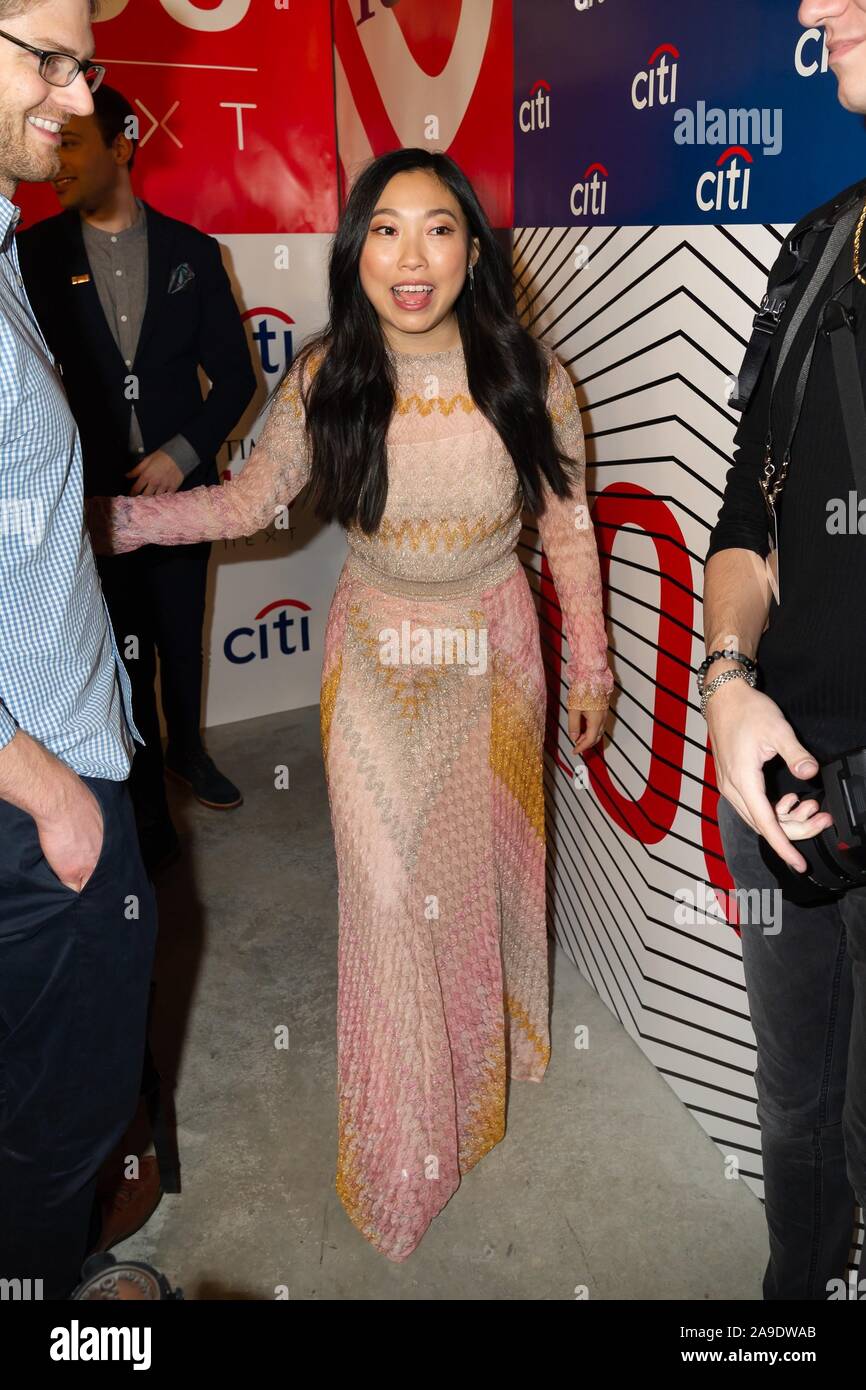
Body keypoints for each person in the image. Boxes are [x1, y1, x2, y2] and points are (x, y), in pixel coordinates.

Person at [90, 146, 614, 1261]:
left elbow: (565, 526)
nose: (409, 255)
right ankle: (401, 1141)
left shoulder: (529, 375)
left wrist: (594, 669)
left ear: (473, 250)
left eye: (436, 228)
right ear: (355, 249)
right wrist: (119, 523)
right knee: (384, 889)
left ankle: (487, 1057)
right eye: (383, 228)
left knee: (476, 875)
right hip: (377, 647)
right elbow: (248, 499)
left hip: (492, 650)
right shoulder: (327, 373)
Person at [702, 0, 866, 1302]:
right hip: (789, 781)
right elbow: (741, 524)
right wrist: (725, 684)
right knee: (797, 1110)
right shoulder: (814, 245)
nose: (814, 9)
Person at [0, 0, 156, 1298]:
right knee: (58, 1135)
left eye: (86, 63)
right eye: (44, 55)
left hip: (52, 768)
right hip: (32, 804)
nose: (76, 92)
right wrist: (47, 790)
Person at [17, 83, 257, 873]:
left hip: (181, 500)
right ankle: (149, 806)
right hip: (83, 507)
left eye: (75, 140)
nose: (57, 158)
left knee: (179, 644)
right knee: (121, 661)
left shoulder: (195, 252)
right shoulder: (30, 256)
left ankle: (190, 751)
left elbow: (232, 379)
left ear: (123, 145)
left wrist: (180, 455)